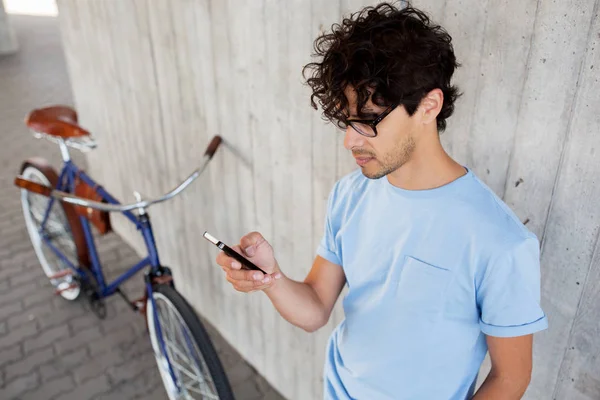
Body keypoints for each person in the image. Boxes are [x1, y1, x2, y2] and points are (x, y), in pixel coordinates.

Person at [215, 2, 548, 399]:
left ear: (429, 106)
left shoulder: (500, 242)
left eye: (368, 121)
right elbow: (317, 307)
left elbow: (511, 378)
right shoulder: (350, 194)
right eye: (345, 121)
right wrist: (268, 278)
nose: (349, 140)